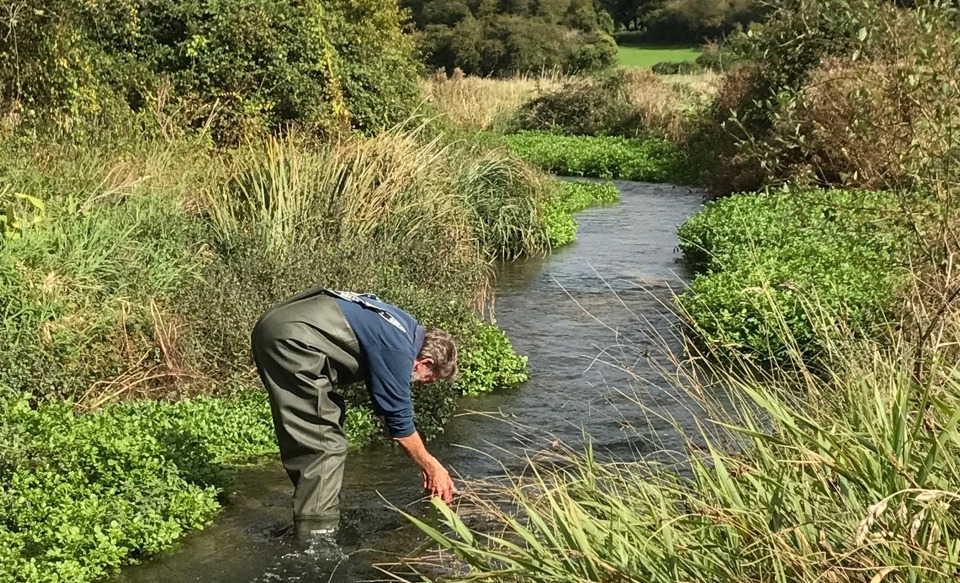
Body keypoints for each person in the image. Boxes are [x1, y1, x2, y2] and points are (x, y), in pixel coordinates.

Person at [251, 286, 458, 541]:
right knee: (324, 444)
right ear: (424, 363)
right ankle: (316, 539)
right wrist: (431, 465)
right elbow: (398, 420)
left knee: (320, 424)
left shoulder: (403, 325)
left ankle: (313, 511)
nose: (419, 384)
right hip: (293, 342)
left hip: (281, 328)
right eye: (428, 380)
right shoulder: (399, 349)